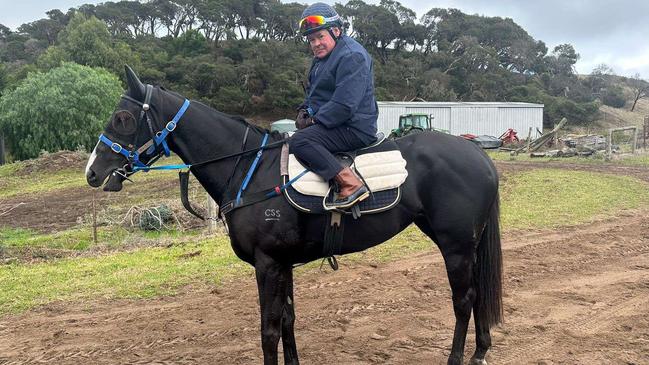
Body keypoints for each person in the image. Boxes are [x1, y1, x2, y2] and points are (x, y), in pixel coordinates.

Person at [289, 2, 379, 209]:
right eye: (312, 39)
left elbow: (344, 105)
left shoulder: (351, 56)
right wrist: (303, 111)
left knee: (300, 142)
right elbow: (315, 94)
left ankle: (351, 184)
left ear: (336, 31)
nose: (316, 43)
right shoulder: (321, 58)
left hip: (354, 127)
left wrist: (314, 121)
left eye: (320, 36)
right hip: (336, 123)